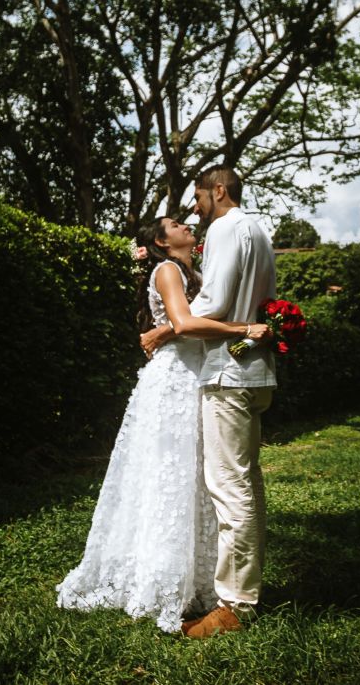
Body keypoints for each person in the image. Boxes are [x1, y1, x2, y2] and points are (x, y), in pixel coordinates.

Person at [55, 215, 270, 633]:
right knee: (170, 478)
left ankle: (199, 580)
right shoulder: (168, 269)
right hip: (175, 381)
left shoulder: (196, 270)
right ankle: (163, 580)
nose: (186, 224)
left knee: (197, 478)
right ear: (160, 241)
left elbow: (184, 322)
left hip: (197, 374)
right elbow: (187, 323)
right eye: (174, 223)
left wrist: (165, 330)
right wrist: (246, 329)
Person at [140, 166, 276, 639]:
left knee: (230, 488)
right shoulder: (259, 230)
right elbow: (266, 301)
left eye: (198, 197)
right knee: (249, 484)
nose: (194, 210)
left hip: (227, 372)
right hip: (257, 372)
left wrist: (168, 326)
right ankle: (246, 589)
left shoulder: (223, 229)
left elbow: (213, 301)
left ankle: (235, 605)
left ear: (218, 191)